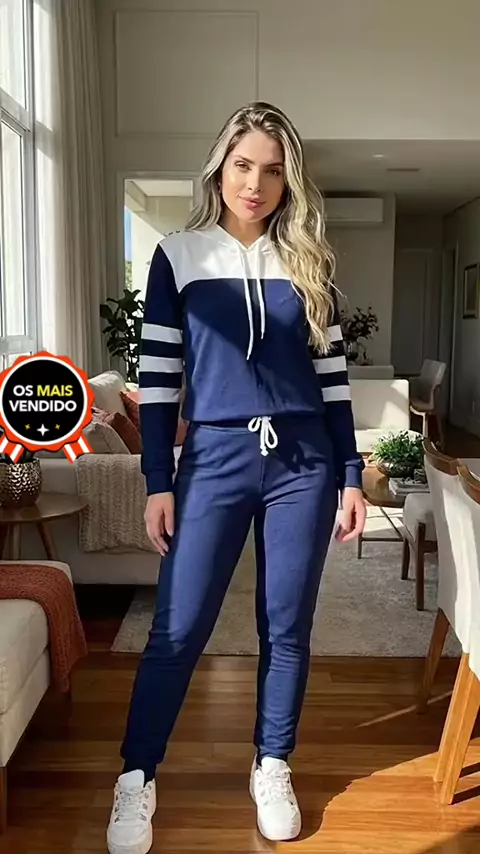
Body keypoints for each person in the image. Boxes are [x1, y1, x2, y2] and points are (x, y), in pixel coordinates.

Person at [107, 101, 366, 854]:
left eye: (273, 171)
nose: (256, 184)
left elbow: (333, 381)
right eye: (244, 165)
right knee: (177, 627)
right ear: (220, 168)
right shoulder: (178, 255)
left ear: (290, 181)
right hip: (214, 459)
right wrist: (159, 480)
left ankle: (272, 762)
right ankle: (136, 775)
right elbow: (161, 379)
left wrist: (350, 473)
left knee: (286, 624)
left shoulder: (310, 262)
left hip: (303, 463)